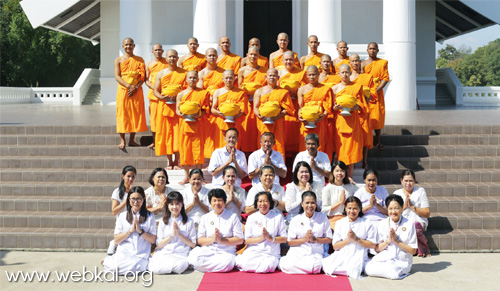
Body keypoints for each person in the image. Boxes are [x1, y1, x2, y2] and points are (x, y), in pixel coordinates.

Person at [187, 188, 244, 272]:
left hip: (226, 252)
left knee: (227, 263)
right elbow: (199, 240)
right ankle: (212, 267)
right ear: (210, 202)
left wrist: (222, 240)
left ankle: (201, 267)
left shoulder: (233, 217)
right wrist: (212, 239)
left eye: (220, 200)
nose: (217, 203)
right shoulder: (205, 217)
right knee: (193, 256)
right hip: (208, 251)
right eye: (214, 200)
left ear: (224, 202)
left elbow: (239, 240)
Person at [103, 186, 156, 275]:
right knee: (116, 267)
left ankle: (108, 262)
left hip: (140, 255)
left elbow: (153, 240)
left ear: (143, 199)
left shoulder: (150, 216)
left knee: (134, 266)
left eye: (138, 199)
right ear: (128, 200)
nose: (136, 202)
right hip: (124, 253)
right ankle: (109, 262)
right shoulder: (122, 216)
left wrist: (140, 231)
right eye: (133, 199)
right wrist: (130, 231)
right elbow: (116, 241)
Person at [364, 195, 417, 280]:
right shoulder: (383, 223)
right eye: (390, 209)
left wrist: (397, 241)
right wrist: (388, 241)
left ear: (402, 208)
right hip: (386, 258)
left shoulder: (409, 224)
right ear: (387, 209)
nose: (393, 212)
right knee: (367, 269)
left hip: (402, 261)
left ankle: (392, 272)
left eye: (396, 208)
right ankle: (389, 272)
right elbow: (377, 249)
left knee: (392, 271)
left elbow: (413, 251)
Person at [322, 196, 376, 279]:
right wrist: (348, 240)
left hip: (359, 254)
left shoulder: (367, 223)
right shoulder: (340, 223)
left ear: (360, 209)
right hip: (343, 253)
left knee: (354, 269)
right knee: (325, 265)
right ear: (345, 209)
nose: (352, 211)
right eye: (349, 208)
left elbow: (372, 245)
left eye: (355, 208)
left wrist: (356, 239)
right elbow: (335, 246)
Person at [279, 191, 332, 274]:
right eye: (307, 203)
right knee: (287, 265)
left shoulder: (322, 217)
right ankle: (304, 269)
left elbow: (329, 239)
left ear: (316, 204)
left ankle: (300, 270)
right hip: (298, 251)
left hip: (315, 252)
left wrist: (315, 239)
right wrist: (305, 239)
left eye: (312, 203)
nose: (310, 206)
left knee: (316, 266)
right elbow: (290, 242)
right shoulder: (296, 219)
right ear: (302, 204)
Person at [235, 191, 287, 273]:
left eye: (266, 201)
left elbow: (284, 239)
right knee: (245, 263)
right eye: (260, 201)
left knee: (267, 266)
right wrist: (261, 238)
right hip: (254, 251)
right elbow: (247, 240)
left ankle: (256, 268)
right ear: (256, 204)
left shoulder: (278, 217)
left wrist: (270, 238)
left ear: (270, 203)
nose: (263, 204)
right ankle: (254, 266)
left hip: (271, 253)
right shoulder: (251, 218)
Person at [154, 49, 187, 169]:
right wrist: (162, 97)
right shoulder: (160, 73)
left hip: (178, 108)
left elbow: (188, 90)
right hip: (165, 107)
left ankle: (177, 162)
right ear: (166, 58)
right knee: (166, 134)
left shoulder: (184, 73)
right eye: (170, 57)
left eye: (174, 57)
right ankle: (170, 162)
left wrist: (179, 97)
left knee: (178, 134)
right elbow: (155, 91)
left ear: (178, 58)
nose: (172, 59)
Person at [148, 191, 196, 274]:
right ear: (167, 205)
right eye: (171, 204)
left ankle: (167, 267)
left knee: (180, 267)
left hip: (181, 254)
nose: (174, 207)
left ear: (182, 204)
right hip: (165, 252)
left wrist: (179, 235)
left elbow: (193, 244)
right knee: (153, 268)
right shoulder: (163, 221)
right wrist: (172, 235)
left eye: (177, 204)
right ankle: (168, 267)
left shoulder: (189, 221)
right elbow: (159, 244)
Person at [176, 70, 210, 184]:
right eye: (190, 78)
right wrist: (182, 114)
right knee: (185, 150)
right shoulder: (181, 94)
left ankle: (200, 176)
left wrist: (199, 114)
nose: (192, 80)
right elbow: (177, 110)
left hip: (197, 124)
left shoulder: (203, 93)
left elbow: (206, 110)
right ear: (186, 79)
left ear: (198, 79)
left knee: (198, 151)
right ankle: (186, 176)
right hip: (185, 125)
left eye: (195, 78)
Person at [332, 64, 367, 176]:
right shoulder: (335, 88)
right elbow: (331, 106)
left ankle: (350, 175)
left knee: (351, 149)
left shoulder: (356, 87)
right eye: (342, 72)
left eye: (347, 72)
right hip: (340, 121)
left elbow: (362, 104)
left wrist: (358, 107)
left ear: (350, 73)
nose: (345, 74)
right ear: (338, 74)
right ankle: (340, 175)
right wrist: (335, 108)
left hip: (353, 121)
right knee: (341, 149)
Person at [114, 38, 148, 149]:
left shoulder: (140, 60)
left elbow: (143, 77)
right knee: (123, 114)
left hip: (137, 90)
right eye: (126, 45)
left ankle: (132, 140)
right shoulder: (118, 60)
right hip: (124, 90)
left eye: (130, 45)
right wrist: (129, 86)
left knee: (135, 113)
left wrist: (136, 87)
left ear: (134, 46)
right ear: (123, 46)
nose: (128, 47)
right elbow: (117, 76)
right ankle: (122, 140)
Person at [253, 68, 295, 157]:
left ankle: (278, 166)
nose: (272, 77)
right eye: (270, 75)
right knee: (262, 143)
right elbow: (255, 107)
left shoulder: (283, 92)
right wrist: (259, 115)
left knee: (278, 144)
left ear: (278, 77)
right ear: (266, 77)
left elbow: (287, 109)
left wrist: (276, 117)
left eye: (274, 76)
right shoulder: (259, 91)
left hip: (277, 122)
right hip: (263, 122)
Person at [297, 65, 333, 158]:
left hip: (320, 121)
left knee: (320, 144)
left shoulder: (325, 89)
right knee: (305, 144)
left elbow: (328, 107)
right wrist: (299, 116)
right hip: (306, 122)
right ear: (306, 76)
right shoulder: (302, 89)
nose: (312, 77)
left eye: (314, 74)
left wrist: (323, 116)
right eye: (310, 75)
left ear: (318, 74)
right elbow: (300, 107)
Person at [393, 170, 431, 257]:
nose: (408, 183)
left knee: (414, 226)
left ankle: (423, 248)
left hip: (418, 221)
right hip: (402, 222)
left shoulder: (420, 191)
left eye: (411, 181)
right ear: (401, 181)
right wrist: (404, 207)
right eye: (406, 181)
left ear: (414, 181)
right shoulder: (397, 193)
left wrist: (412, 207)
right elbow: (393, 213)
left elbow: (427, 213)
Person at [238, 46, 268, 152]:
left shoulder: (265, 71)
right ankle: (246, 153)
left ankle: (260, 151)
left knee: (258, 130)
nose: (253, 56)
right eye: (251, 54)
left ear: (259, 56)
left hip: (260, 105)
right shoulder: (242, 71)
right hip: (247, 104)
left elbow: (268, 88)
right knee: (247, 131)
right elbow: (239, 89)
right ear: (247, 55)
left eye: (255, 55)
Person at [349, 53, 377, 168]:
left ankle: (364, 160)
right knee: (353, 136)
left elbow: (373, 93)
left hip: (363, 111)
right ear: (349, 63)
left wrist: (365, 99)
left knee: (365, 136)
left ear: (360, 62)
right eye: (353, 61)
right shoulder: (347, 77)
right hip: (350, 112)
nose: (355, 63)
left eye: (357, 61)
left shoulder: (367, 77)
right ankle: (353, 159)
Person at [197, 48, 225, 157]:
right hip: (207, 106)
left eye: (214, 55)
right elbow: (200, 91)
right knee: (207, 134)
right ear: (206, 57)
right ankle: (208, 158)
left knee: (218, 133)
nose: (212, 57)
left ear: (217, 57)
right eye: (210, 55)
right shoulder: (201, 73)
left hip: (219, 106)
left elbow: (227, 88)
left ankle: (219, 157)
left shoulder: (223, 72)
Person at [278, 51, 308, 153]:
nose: (288, 62)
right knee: (283, 133)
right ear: (282, 61)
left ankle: (295, 159)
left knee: (295, 133)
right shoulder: (278, 73)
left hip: (296, 105)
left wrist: (297, 94)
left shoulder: (301, 73)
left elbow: (306, 89)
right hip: (282, 107)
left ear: (295, 61)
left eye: (291, 60)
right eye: (286, 60)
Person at [361, 42, 389, 151]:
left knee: (377, 117)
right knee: (367, 117)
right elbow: (361, 79)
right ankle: (367, 141)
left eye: (374, 49)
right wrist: (367, 92)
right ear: (367, 50)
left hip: (377, 93)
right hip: (366, 94)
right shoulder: (363, 64)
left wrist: (376, 90)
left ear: (377, 50)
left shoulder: (382, 63)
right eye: (370, 49)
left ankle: (377, 141)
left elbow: (385, 78)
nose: (372, 51)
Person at [211, 70, 249, 148]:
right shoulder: (217, 92)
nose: (228, 80)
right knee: (220, 145)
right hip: (221, 122)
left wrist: (234, 115)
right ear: (223, 79)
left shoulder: (240, 92)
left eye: (230, 78)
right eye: (226, 78)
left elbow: (243, 110)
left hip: (235, 122)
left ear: (234, 78)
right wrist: (219, 113)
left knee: (234, 145)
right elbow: (213, 109)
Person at [108, 165, 137, 255]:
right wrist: (126, 201)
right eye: (128, 176)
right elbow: (114, 211)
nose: (130, 179)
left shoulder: (135, 191)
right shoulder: (117, 192)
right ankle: (113, 244)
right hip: (122, 221)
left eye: (133, 176)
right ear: (123, 176)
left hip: (134, 219)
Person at [321, 161, 358, 230]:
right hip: (332, 219)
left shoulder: (350, 187)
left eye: (342, 171)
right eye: (337, 171)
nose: (339, 173)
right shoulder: (327, 188)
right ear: (333, 172)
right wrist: (340, 202)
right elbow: (324, 210)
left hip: (348, 218)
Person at [145, 44, 168, 148]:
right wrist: (154, 87)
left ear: (163, 51)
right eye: (156, 50)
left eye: (159, 50)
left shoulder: (167, 63)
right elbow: (146, 80)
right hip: (154, 95)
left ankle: (165, 141)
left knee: (165, 119)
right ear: (152, 52)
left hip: (165, 94)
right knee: (154, 119)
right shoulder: (149, 64)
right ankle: (155, 141)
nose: (158, 52)